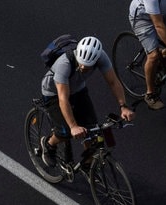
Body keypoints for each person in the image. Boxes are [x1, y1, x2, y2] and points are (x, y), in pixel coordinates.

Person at [38, 36, 135, 170]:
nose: (83, 67)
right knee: (65, 132)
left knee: (92, 131)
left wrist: (123, 106)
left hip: (77, 89)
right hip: (54, 93)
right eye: (81, 64)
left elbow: (113, 82)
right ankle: (49, 144)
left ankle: (89, 167)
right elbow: (63, 99)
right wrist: (73, 126)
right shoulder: (64, 64)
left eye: (87, 67)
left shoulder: (101, 56)